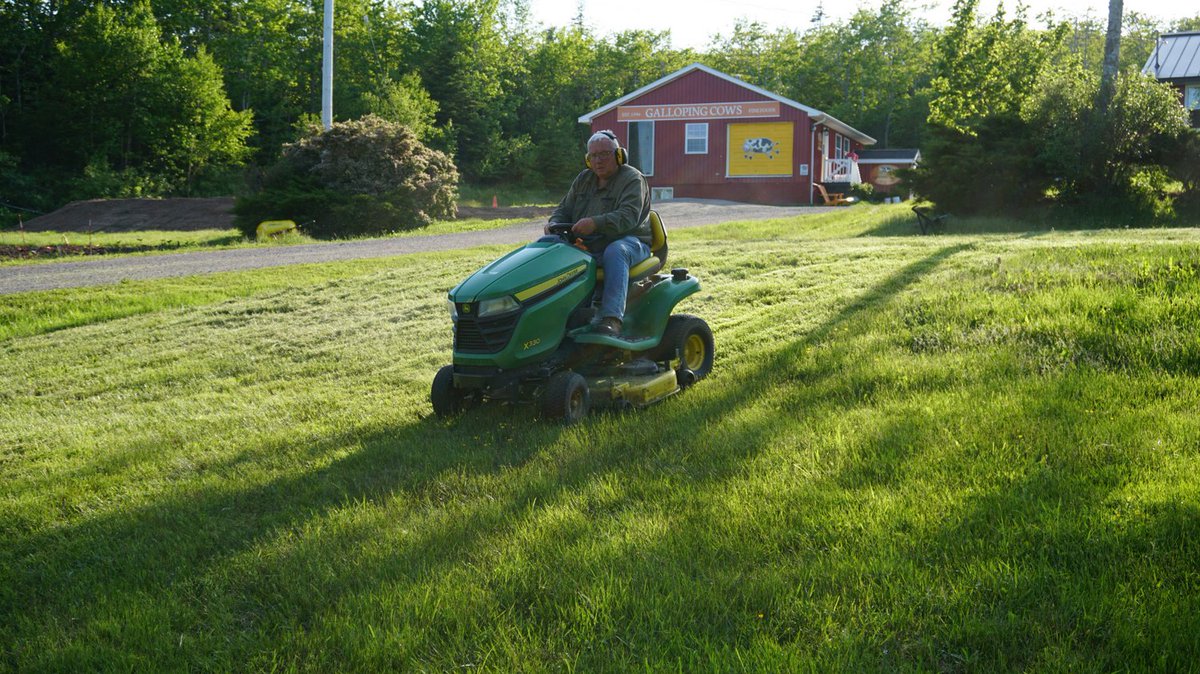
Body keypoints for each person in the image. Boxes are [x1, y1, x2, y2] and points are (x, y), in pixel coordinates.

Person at [547, 130, 652, 337]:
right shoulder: (583, 179)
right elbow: (563, 209)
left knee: (615, 251)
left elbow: (628, 217)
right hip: (590, 244)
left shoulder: (632, 179)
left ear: (619, 155)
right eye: (593, 156)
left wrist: (595, 223)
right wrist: (554, 223)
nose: (598, 160)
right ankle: (554, 313)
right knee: (547, 244)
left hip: (631, 242)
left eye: (604, 154)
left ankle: (611, 318)